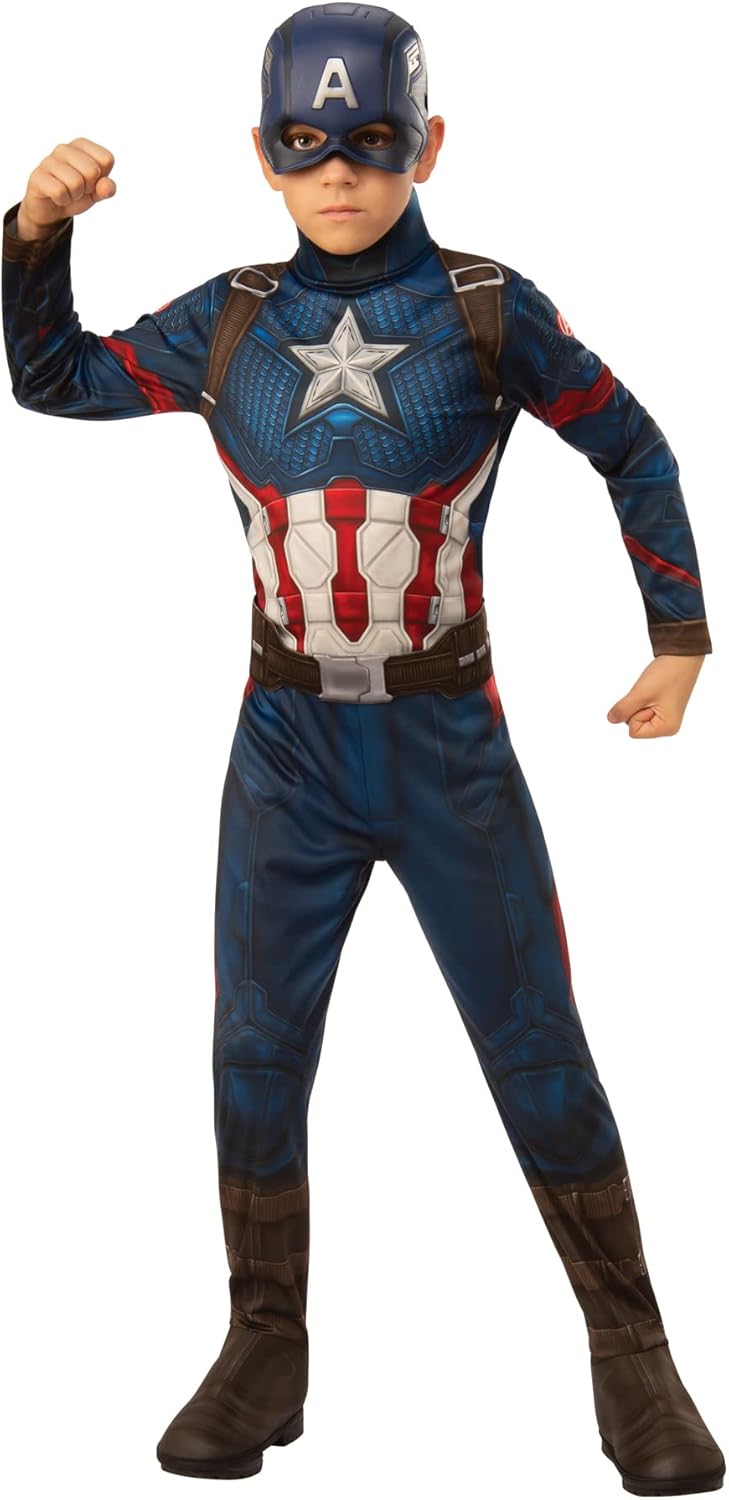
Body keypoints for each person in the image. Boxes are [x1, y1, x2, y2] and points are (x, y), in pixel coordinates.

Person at [2, 3, 724, 1492]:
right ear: (262, 156)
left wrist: (678, 638)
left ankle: (634, 1358)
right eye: (305, 142)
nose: (338, 170)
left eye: (372, 139)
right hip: (286, 753)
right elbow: (54, 377)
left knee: (537, 1050)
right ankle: (262, 1345)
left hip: (450, 747)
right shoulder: (227, 321)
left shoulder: (484, 307)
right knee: (254, 1055)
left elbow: (633, 444)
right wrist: (33, 234)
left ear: (428, 145)